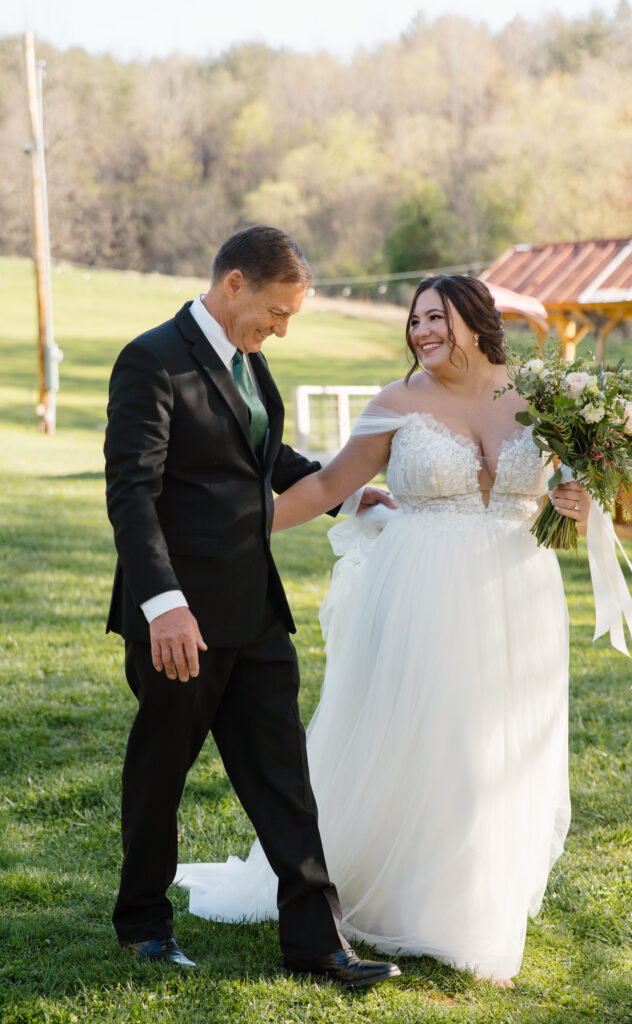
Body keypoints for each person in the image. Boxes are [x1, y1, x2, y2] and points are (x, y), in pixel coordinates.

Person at [174, 273, 591, 988]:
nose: (423, 331)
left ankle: (473, 904)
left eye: (438, 318)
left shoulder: (540, 397)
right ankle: (402, 895)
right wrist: (230, 531)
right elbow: (324, 487)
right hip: (423, 592)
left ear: (477, 320)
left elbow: (567, 497)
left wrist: (574, 504)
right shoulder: (398, 404)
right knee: (436, 737)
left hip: (520, 592)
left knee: (500, 740)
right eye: (416, 319)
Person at [104, 224, 400, 987]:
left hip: (257, 610)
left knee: (282, 776)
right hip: (181, 620)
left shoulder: (249, 363)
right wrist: (163, 606)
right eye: (277, 310)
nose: (281, 327)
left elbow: (265, 459)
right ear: (233, 282)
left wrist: (344, 495)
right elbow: (131, 495)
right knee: (161, 769)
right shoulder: (151, 359)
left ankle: (317, 943)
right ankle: (141, 924)